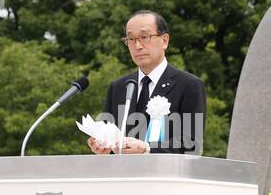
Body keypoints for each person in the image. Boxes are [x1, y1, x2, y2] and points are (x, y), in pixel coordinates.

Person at [88, 10, 206, 155]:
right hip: (123, 175)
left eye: (144, 37)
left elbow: (192, 144)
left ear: (164, 40)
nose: (138, 46)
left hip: (165, 175)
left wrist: (147, 149)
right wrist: (102, 146)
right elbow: (111, 139)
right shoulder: (119, 87)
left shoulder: (189, 85)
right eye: (131, 39)